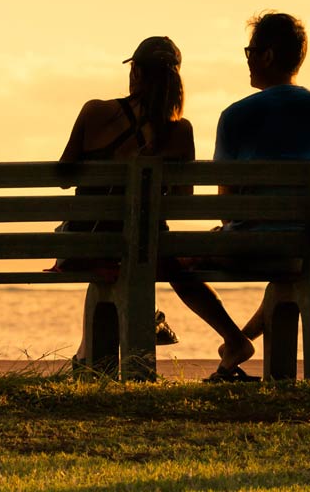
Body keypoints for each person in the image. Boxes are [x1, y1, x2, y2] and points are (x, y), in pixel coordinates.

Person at [54, 35, 255, 377]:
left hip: (83, 245)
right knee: (162, 257)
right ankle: (232, 337)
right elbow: (181, 202)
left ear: (135, 73)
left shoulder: (94, 111)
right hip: (150, 249)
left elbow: (63, 175)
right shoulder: (180, 131)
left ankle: (88, 359)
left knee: (124, 254)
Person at [213, 10, 310, 353]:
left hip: (253, 248)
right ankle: (235, 349)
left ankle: (234, 342)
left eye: (250, 53)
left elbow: (225, 207)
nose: (247, 61)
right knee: (286, 276)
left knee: (175, 261)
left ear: (268, 55)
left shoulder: (235, 115)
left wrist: (230, 230)